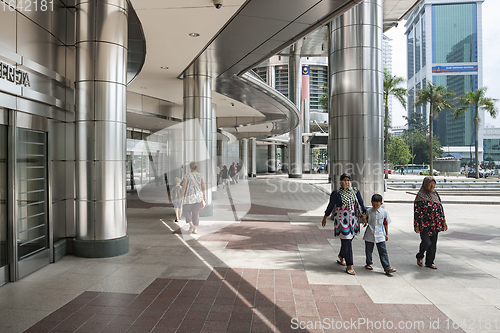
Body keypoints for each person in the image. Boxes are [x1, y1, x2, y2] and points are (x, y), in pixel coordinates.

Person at [322, 173, 367, 275]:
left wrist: (364, 216)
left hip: (353, 220)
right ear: (340, 182)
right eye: (344, 180)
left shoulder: (355, 191)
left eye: (348, 180)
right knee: (347, 242)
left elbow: (361, 204)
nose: (346, 182)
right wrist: (325, 217)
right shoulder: (336, 193)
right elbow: (330, 206)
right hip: (342, 221)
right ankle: (349, 265)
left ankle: (341, 256)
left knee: (348, 241)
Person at [414, 176, 447, 269]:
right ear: (425, 184)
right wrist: (416, 224)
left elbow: (440, 208)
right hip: (424, 224)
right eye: (430, 183)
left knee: (433, 243)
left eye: (433, 184)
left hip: (435, 223)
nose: (432, 186)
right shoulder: (420, 195)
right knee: (426, 242)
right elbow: (416, 211)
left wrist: (444, 221)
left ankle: (430, 262)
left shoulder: (435, 194)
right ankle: (420, 256)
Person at [363, 194, 396, 275]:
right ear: (371, 202)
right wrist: (364, 220)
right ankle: (369, 263)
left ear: (381, 204)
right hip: (370, 233)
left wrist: (387, 234)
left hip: (380, 234)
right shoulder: (369, 211)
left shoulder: (384, 212)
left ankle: (387, 267)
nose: (375, 206)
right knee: (368, 250)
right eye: (373, 204)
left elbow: (385, 223)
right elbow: (365, 219)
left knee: (383, 251)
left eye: (377, 205)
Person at [180, 161, 206, 234]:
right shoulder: (200, 175)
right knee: (196, 212)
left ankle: (191, 225)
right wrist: (204, 196)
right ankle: (195, 229)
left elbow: (184, 187)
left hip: (189, 196)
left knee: (185, 211)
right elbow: (203, 187)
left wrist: (182, 196)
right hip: (198, 197)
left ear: (190, 167)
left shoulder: (187, 175)